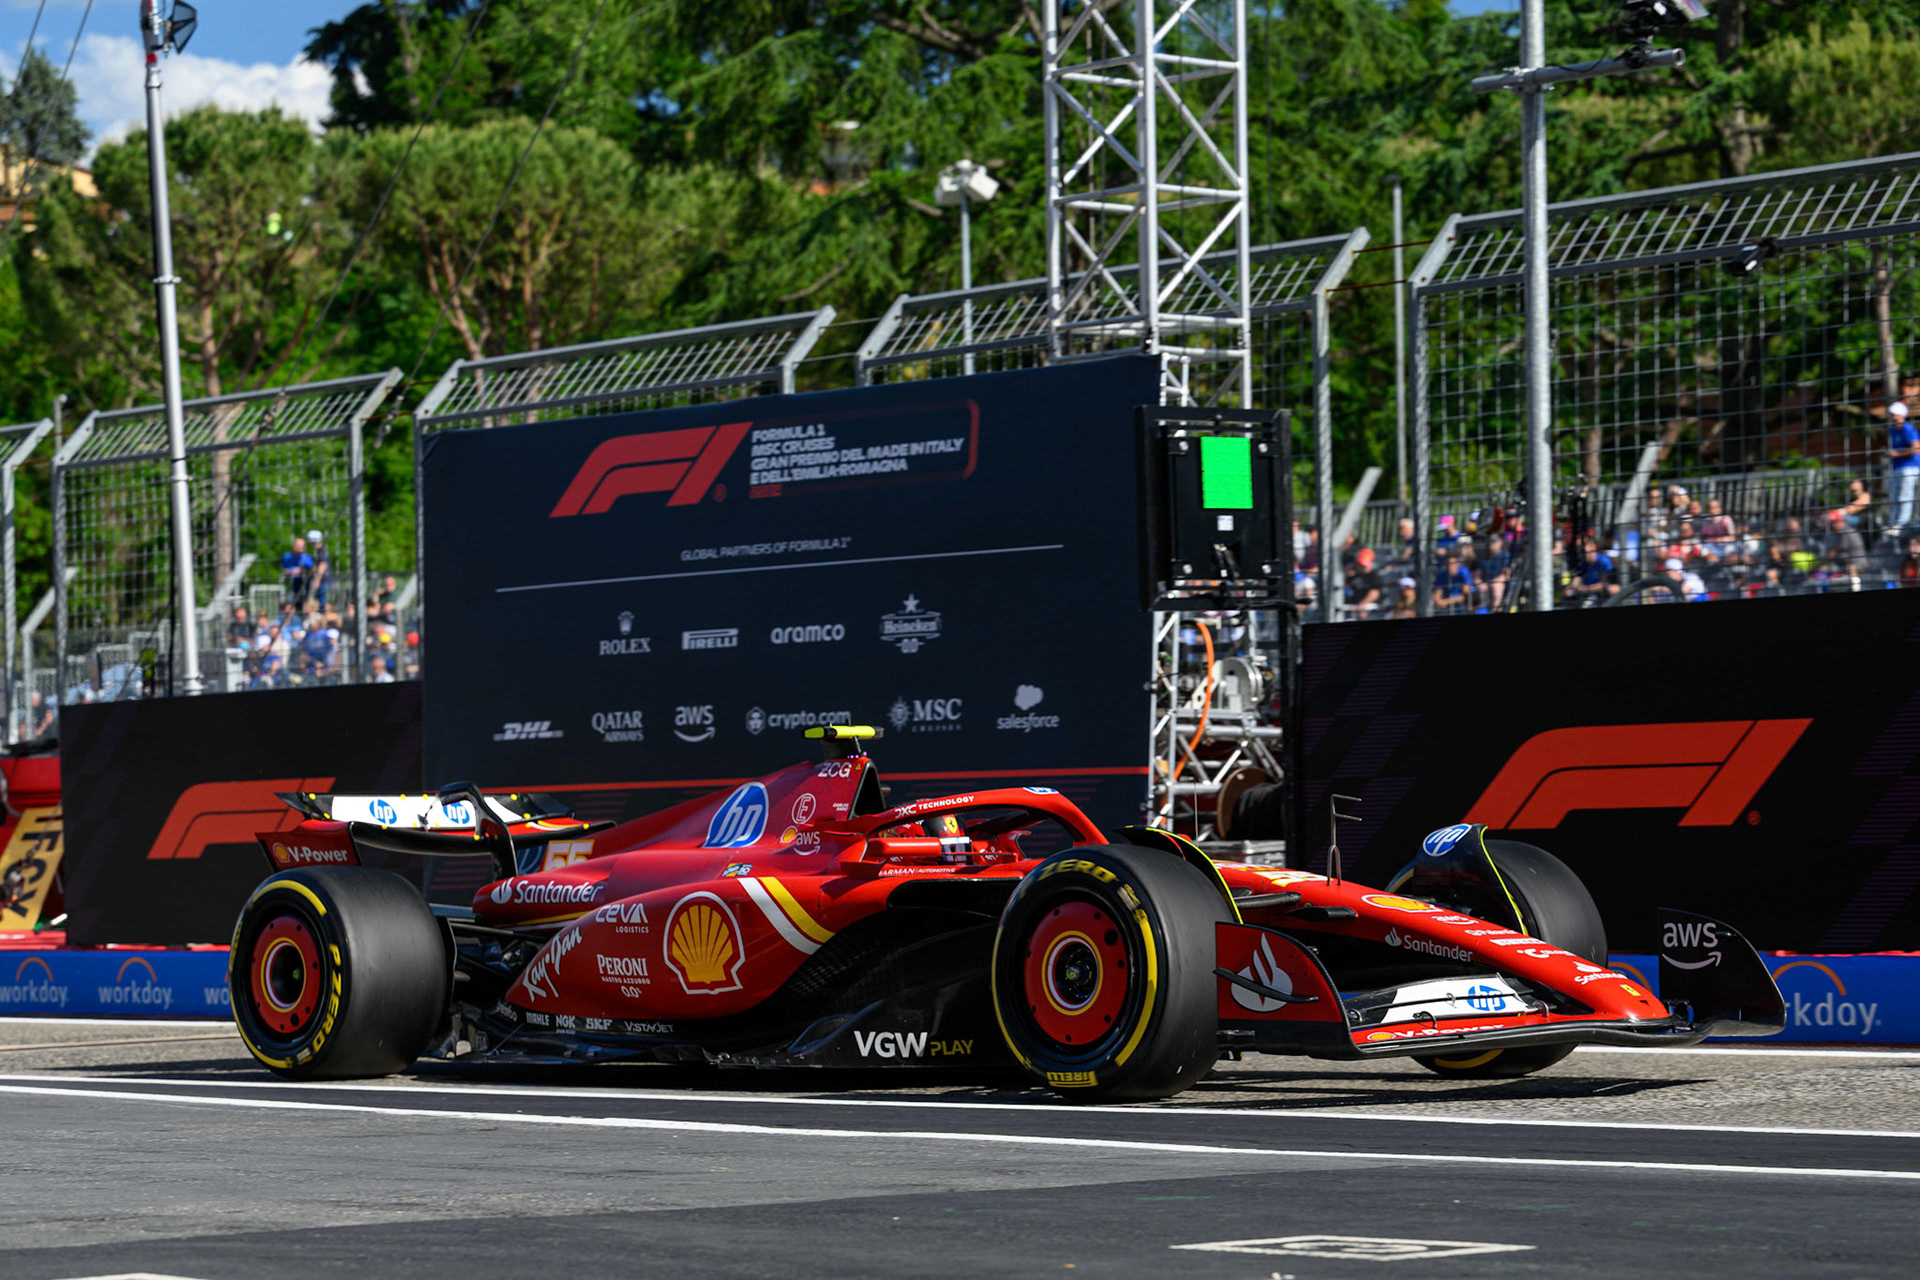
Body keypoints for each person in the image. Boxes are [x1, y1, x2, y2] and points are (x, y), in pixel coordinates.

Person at [1889, 402, 1919, 532]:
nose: (1892, 417)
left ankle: (1902, 523)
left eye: (1894, 414)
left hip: (1910, 466)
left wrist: (1898, 453)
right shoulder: (1892, 429)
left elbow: (1916, 448)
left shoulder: (1907, 428)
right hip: (1897, 467)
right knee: (1894, 496)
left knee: (1905, 495)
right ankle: (1894, 522)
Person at [280, 535, 314, 609]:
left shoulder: (306, 558)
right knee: (290, 603)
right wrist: (290, 572)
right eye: (298, 546)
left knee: (304, 604)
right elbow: (284, 569)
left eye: (301, 547)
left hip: (304, 585)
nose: (300, 549)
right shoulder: (287, 557)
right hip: (292, 584)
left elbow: (311, 569)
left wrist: (302, 571)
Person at [308, 529, 331, 609]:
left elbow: (322, 565)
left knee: (322, 605)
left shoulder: (321, 551)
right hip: (323, 581)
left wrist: (317, 580)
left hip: (323, 581)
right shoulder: (319, 551)